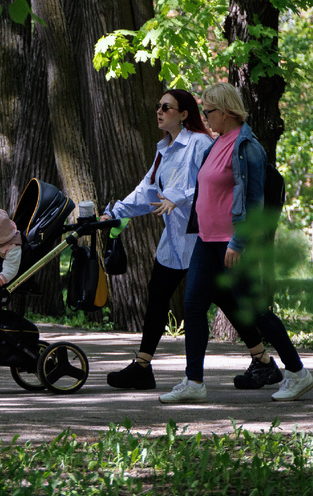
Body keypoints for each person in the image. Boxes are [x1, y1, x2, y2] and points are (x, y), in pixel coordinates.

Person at [160, 82, 313, 404]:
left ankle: (298, 373)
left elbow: (255, 201)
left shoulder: (248, 148)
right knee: (193, 306)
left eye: (208, 112)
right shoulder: (216, 144)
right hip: (205, 240)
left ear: (226, 111)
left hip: (232, 244)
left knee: (254, 312)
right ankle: (193, 381)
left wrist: (239, 242)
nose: (205, 117)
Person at [101, 88, 267, 390]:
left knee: (224, 299)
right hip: (173, 241)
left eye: (167, 107)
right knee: (157, 297)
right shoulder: (164, 149)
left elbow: (206, 186)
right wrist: (114, 213)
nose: (160, 111)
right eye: (158, 106)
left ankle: (262, 360)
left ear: (184, 113)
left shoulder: (201, 143)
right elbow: (147, 191)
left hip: (201, 239)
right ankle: (142, 366)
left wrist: (177, 198)